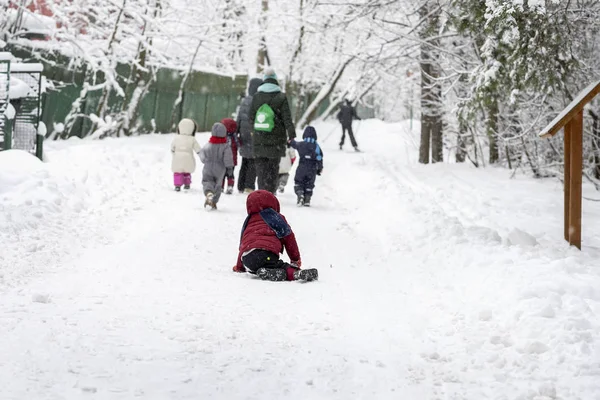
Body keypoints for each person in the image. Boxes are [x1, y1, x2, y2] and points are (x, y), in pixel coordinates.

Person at [232, 190, 318, 282]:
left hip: (248, 259)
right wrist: (295, 259)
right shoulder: (276, 218)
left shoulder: (248, 222)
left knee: (258, 265)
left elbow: (243, 245)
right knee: (281, 266)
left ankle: (263, 271)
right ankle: (295, 274)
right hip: (267, 255)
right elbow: (289, 238)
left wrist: (239, 267)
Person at [249, 68, 296, 194]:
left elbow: (251, 118)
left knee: (261, 171)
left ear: (264, 80)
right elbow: (287, 118)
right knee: (273, 170)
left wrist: (253, 133)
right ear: (275, 80)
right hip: (276, 141)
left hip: (259, 139)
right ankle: (270, 195)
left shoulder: (257, 97)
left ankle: (261, 195)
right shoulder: (281, 97)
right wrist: (291, 135)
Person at [236, 78, 263, 194]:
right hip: (254, 132)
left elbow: (239, 117)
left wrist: (237, 130)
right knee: (253, 161)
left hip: (243, 133)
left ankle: (240, 184)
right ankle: (249, 185)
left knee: (245, 160)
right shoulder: (260, 101)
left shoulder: (244, 101)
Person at [199, 122, 234, 210]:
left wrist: (205, 160)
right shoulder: (226, 146)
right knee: (218, 185)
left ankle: (208, 193)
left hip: (208, 167)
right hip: (220, 169)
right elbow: (228, 158)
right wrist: (229, 168)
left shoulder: (209, 144)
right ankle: (214, 201)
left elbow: (202, 155)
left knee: (207, 181)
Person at [289, 126, 323, 207]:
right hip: (312, 169)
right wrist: (319, 168)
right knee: (309, 184)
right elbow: (319, 158)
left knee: (298, 182)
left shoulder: (301, 144)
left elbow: (294, 144)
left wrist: (290, 140)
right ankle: (307, 199)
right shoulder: (316, 146)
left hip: (302, 167)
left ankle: (300, 195)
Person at [171, 118, 202, 191]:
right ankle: (187, 183)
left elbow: (172, 148)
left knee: (178, 172)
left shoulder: (176, 138)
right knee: (187, 172)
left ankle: (177, 186)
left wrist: (174, 154)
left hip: (177, 158)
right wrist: (201, 154)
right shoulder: (192, 139)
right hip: (188, 158)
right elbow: (198, 149)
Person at [221, 118, 238, 195]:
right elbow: (238, 144)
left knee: (221, 174)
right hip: (232, 160)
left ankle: (221, 187)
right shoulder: (234, 137)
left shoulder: (221, 137)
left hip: (222, 160)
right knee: (230, 174)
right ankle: (230, 186)